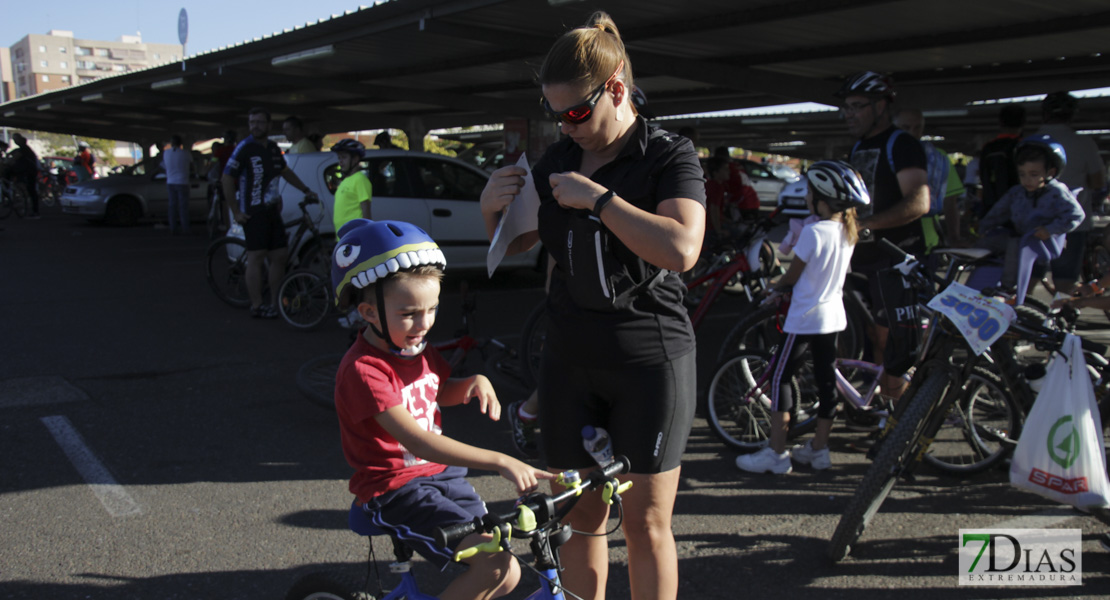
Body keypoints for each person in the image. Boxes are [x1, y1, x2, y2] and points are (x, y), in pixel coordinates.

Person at [478, 12, 705, 600]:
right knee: (579, 520)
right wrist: (490, 210)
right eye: (557, 115)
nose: (568, 127)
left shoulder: (668, 154)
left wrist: (600, 200)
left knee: (645, 522)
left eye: (577, 112)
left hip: (648, 361)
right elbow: (520, 243)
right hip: (569, 358)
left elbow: (683, 247)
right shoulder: (556, 159)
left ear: (617, 88)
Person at [331, 218, 552, 600]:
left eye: (431, 309)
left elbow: (433, 392)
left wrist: (467, 385)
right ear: (369, 313)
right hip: (395, 489)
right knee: (495, 567)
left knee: (507, 570)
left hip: (441, 478)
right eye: (409, 313)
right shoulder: (363, 371)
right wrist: (500, 459)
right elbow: (421, 442)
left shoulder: (412, 347)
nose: (424, 323)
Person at [735, 161, 868, 474]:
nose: (806, 197)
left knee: (780, 378)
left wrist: (773, 286)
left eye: (810, 192)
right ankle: (819, 450)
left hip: (804, 319)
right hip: (832, 318)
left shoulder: (813, 232)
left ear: (821, 200)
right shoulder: (847, 231)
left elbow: (792, 276)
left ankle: (776, 454)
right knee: (826, 383)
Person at [838, 71, 929, 400]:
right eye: (845, 108)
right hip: (863, 259)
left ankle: (897, 416)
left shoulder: (901, 144)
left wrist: (868, 224)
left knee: (894, 344)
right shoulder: (860, 146)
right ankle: (884, 406)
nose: (849, 114)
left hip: (894, 260)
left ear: (881, 106)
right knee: (873, 338)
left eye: (857, 106)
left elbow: (919, 202)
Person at [221, 107, 319, 319]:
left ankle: (277, 303)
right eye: (251, 122)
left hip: (273, 211)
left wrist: (305, 189)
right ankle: (257, 305)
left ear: (268, 125)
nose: (255, 126)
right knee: (256, 257)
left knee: (280, 256)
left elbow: (285, 171)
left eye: (259, 122)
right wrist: (236, 211)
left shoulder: (274, 148)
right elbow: (227, 178)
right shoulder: (244, 148)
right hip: (252, 212)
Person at [972, 134, 1083, 302]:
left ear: (1050, 172)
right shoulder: (1017, 192)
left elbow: (1076, 215)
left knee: (1014, 245)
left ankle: (1008, 287)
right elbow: (998, 212)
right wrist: (981, 229)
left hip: (1042, 240)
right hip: (1020, 235)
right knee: (986, 243)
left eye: (1033, 174)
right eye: (1022, 174)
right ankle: (974, 283)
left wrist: (1050, 229)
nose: (1027, 180)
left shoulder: (1057, 192)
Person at [1036, 91, 1107, 295]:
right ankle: (1060, 321)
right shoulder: (1084, 143)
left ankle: (1020, 321)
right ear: (1071, 115)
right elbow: (1098, 181)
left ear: (1044, 113)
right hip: (1072, 223)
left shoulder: (1030, 141)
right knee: (1065, 281)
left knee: (1028, 279)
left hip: (1034, 221)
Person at [892, 107, 966, 249]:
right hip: (890, 240)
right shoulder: (883, 153)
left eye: (917, 127)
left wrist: (954, 237)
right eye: (905, 127)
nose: (912, 133)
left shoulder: (939, 158)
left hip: (927, 241)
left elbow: (950, 202)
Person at [978, 104, 1026, 217]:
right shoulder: (1025, 146)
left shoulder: (988, 148)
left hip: (992, 207)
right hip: (1020, 208)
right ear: (1023, 123)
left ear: (1000, 123)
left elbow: (983, 177)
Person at [331, 139, 373, 235]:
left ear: (355, 159)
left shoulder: (360, 179)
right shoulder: (345, 180)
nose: (340, 162)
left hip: (355, 235)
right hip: (344, 236)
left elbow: (366, 210)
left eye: (344, 157)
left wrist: (366, 234)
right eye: (339, 158)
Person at [162, 134, 192, 235]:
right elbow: (192, 165)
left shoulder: (166, 153)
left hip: (170, 182)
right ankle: (185, 228)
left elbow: (163, 166)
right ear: (181, 143)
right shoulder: (185, 153)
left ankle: (173, 227)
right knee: (183, 207)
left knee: (172, 206)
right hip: (183, 181)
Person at [10, 133, 41, 219]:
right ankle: (31, 208)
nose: (15, 141)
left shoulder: (24, 149)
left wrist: (8, 161)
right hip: (28, 172)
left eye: (16, 139)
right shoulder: (24, 148)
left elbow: (15, 157)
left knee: (31, 190)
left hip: (29, 172)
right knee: (30, 190)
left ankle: (35, 211)